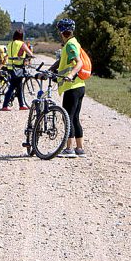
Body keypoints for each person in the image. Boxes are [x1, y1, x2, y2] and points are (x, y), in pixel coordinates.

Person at [49, 18, 87, 158]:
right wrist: (51, 69)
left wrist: (70, 74)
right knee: (75, 117)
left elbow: (79, 63)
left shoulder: (70, 45)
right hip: (79, 86)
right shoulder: (72, 43)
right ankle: (80, 148)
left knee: (68, 117)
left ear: (61, 31)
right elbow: (61, 61)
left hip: (72, 86)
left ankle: (69, 149)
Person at [2, 30, 35, 111]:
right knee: (12, 87)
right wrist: (32, 56)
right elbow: (29, 53)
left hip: (10, 67)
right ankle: (5, 105)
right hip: (18, 68)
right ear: (21, 36)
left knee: (19, 86)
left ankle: (21, 105)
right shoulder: (21, 43)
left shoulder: (10, 44)